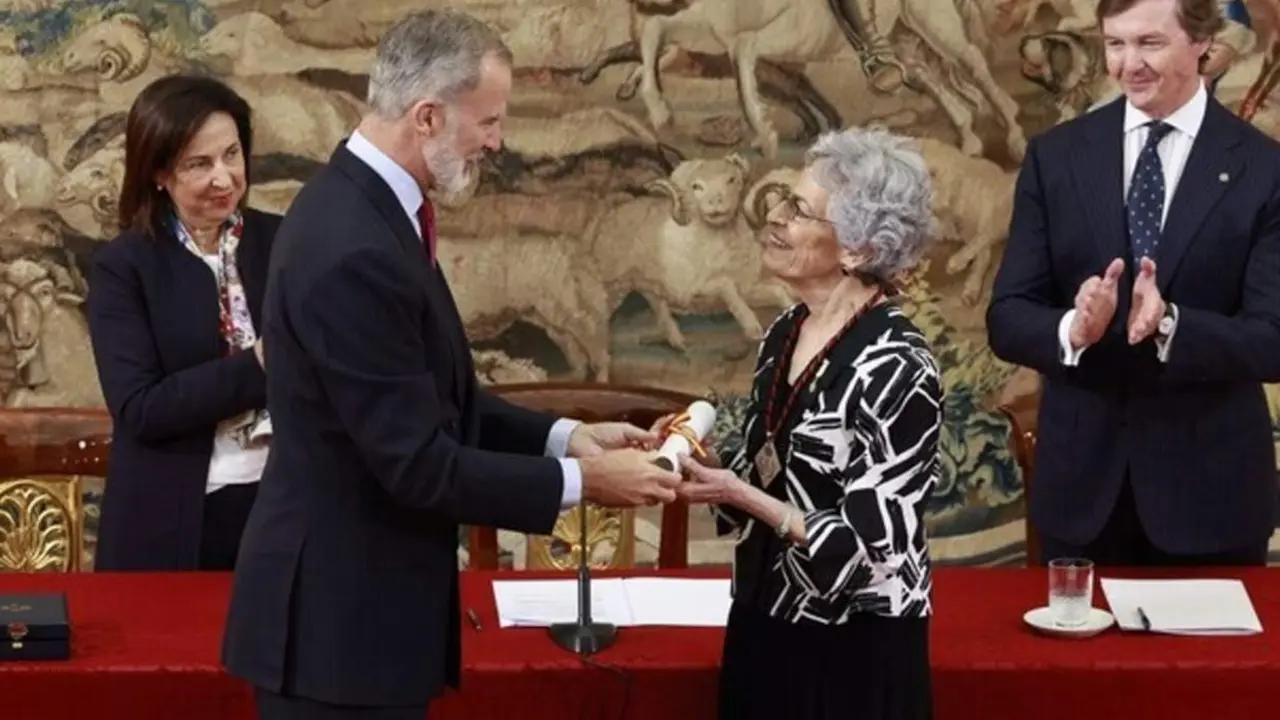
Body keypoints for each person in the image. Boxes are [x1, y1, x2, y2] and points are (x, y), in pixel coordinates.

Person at [220, 10, 683, 719]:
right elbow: (415, 462)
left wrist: (565, 438)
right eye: (489, 120)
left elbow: (436, 392)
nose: (498, 142)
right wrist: (584, 482)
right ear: (428, 116)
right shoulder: (354, 247)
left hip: (360, 622)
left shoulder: (373, 209)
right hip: (336, 636)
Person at [987, 0, 1280, 567]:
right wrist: (1076, 327)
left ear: (1202, 44)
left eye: (1149, 43)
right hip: (1081, 497)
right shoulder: (1057, 157)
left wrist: (1173, 325)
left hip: (1211, 500)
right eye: (1115, 44)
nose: (1127, 65)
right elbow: (1009, 315)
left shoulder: (1265, 170)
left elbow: (1273, 339)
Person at [672, 127, 942, 720]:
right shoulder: (784, 331)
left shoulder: (899, 365)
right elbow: (772, 477)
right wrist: (707, 468)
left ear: (859, 251)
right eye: (782, 201)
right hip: (764, 620)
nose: (774, 217)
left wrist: (741, 493)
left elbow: (873, 549)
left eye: (799, 210)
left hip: (852, 647)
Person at [85, 74, 277, 571]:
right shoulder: (124, 267)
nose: (224, 178)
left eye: (232, 155)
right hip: (170, 521)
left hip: (282, 504)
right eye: (200, 164)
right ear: (158, 173)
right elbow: (141, 407)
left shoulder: (285, 242)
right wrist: (261, 365)